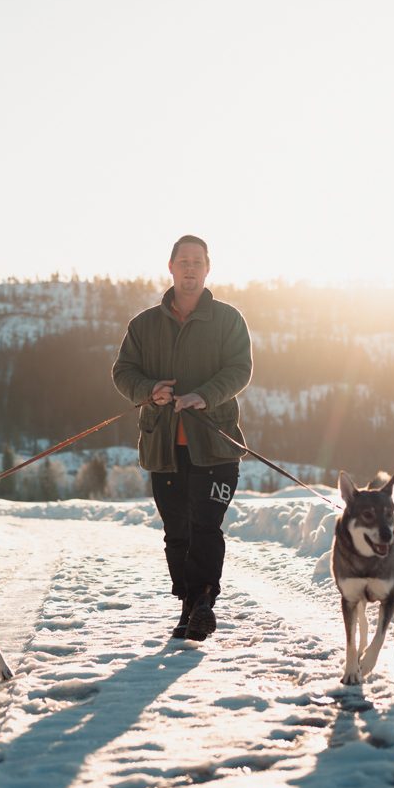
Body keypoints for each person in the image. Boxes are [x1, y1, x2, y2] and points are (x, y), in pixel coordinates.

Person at [111, 235, 253, 641]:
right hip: (163, 448)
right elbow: (122, 372)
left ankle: (204, 598)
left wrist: (204, 396)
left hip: (215, 444)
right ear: (171, 267)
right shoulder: (143, 325)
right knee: (177, 531)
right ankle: (189, 604)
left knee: (206, 525)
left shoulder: (228, 320)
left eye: (197, 262)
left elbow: (240, 369)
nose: (190, 268)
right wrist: (148, 390)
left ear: (207, 269)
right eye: (183, 261)